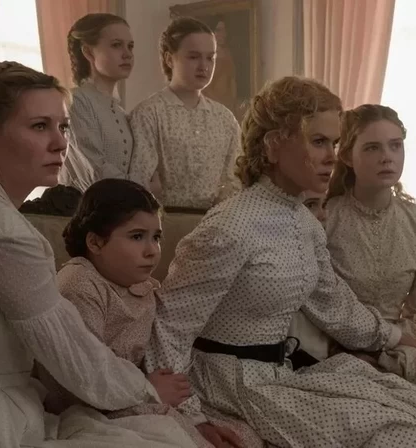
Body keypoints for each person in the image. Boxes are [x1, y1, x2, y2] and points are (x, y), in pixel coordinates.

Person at [144, 77, 416, 448]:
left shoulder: (305, 222)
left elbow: (334, 306)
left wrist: (398, 336)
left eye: (335, 143)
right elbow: (170, 326)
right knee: (394, 434)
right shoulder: (230, 226)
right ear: (274, 146)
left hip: (279, 372)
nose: (331, 156)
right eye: (318, 141)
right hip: (228, 383)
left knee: (404, 404)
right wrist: (192, 417)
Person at [0, 61, 198, 448]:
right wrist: (144, 388)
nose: (60, 143)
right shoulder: (0, 229)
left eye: (63, 127)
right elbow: (68, 351)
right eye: (39, 126)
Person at [38, 178, 190, 413]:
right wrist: (147, 388)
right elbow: (85, 374)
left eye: (156, 237)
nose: (152, 251)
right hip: (86, 405)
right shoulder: (80, 285)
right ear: (95, 242)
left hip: (129, 398)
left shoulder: (145, 286)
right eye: (137, 236)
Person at [128, 17, 241, 281]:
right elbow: (141, 180)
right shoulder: (149, 113)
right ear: (170, 58)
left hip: (217, 231)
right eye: (193, 57)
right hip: (163, 230)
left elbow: (234, 178)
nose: (204, 66)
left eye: (210, 58)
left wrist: (219, 221)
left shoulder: (225, 119)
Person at [325, 104, 416, 381]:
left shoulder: (412, 220)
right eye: (372, 148)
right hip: (337, 352)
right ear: (347, 156)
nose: (387, 157)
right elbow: (320, 304)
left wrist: (401, 348)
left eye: (395, 146)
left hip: (404, 350)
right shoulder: (325, 218)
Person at [59, 13, 135, 192]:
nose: (127, 54)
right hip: (83, 204)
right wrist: (140, 187)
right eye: (116, 45)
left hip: (121, 203)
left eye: (130, 46)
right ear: (88, 52)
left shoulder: (120, 111)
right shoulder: (76, 101)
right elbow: (93, 170)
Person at [203, 18, 238, 116]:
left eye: (224, 30)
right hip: (212, 105)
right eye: (218, 30)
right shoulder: (206, 54)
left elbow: (232, 79)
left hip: (228, 104)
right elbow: (205, 86)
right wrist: (219, 104)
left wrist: (233, 103)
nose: (222, 34)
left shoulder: (228, 53)